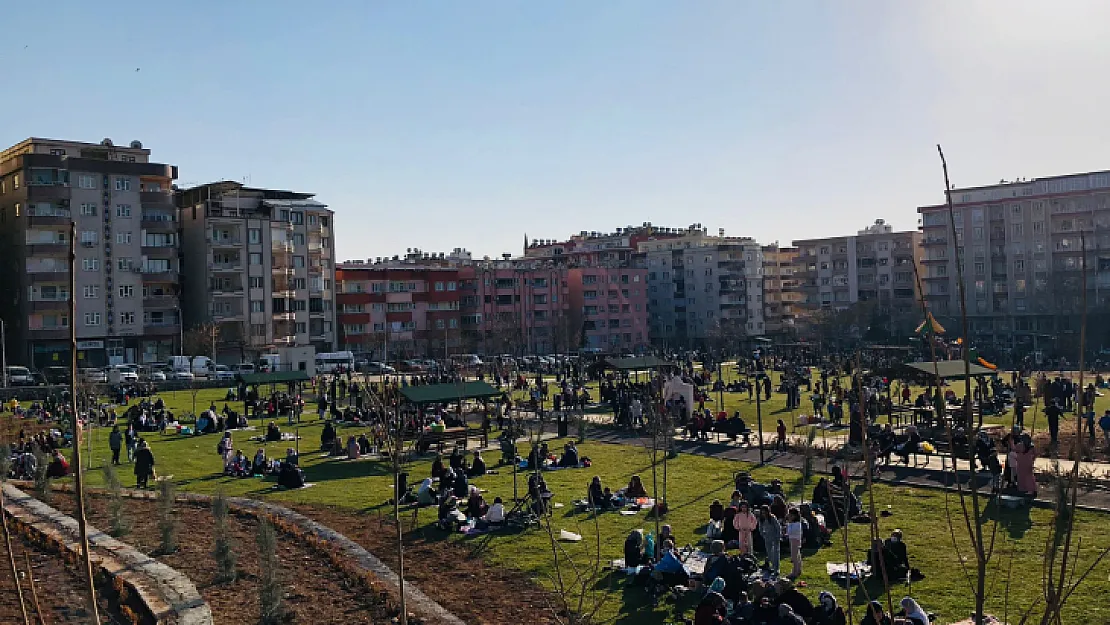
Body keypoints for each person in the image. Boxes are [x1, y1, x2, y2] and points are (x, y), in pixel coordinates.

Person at [758, 505, 781, 572]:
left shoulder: (772, 518)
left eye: (765, 512)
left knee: (775, 553)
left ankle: (776, 568)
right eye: (762, 513)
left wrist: (778, 536)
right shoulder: (761, 519)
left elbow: (778, 527)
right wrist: (763, 534)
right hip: (767, 538)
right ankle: (773, 565)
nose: (764, 514)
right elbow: (760, 528)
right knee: (769, 553)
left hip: (774, 537)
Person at [786, 508, 804, 579]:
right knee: (797, 555)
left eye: (790, 515)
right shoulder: (796, 523)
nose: (789, 516)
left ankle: (795, 572)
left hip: (794, 540)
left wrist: (789, 524)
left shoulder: (796, 524)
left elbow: (790, 532)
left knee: (794, 557)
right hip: (794, 539)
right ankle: (798, 569)